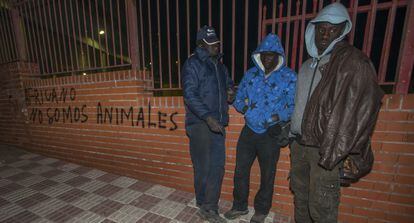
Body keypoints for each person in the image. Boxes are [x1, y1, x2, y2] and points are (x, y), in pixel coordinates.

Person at [289, 3, 384, 223]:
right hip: (299, 145)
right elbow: (301, 105)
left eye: (333, 29)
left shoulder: (352, 62)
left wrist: (352, 150)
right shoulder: (306, 66)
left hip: (325, 150)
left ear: (343, 31)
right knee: (301, 199)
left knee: (322, 207)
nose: (326, 34)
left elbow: (365, 110)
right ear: (314, 29)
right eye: (322, 28)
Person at [224, 34, 296, 223]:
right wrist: (246, 109)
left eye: (270, 55)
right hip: (248, 131)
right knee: (240, 171)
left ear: (278, 56)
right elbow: (239, 98)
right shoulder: (251, 74)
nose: (266, 59)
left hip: (270, 133)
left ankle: (261, 211)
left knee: (267, 175)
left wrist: (276, 116)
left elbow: (293, 105)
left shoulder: (289, 76)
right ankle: (239, 206)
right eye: (263, 55)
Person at [181, 25, 234, 223]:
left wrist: (230, 91)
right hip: (201, 123)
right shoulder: (192, 64)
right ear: (201, 44)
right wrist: (208, 117)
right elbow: (189, 94)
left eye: (217, 43)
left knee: (217, 166)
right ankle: (205, 204)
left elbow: (228, 83)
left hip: (218, 122)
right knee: (204, 166)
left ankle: (208, 205)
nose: (216, 47)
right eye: (211, 44)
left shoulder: (220, 66)